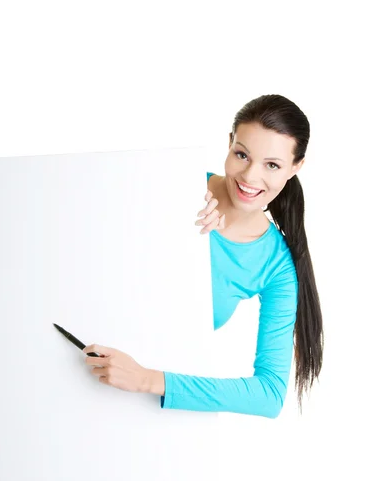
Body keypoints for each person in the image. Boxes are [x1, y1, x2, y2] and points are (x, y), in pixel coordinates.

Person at [83, 94, 324, 418]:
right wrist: (177, 218)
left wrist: (146, 380)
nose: (251, 177)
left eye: (272, 165)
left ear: (295, 168)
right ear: (229, 143)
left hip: (147, 413)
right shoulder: (173, 183)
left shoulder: (276, 265)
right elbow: (88, 242)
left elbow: (268, 395)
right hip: (78, 352)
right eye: (242, 154)